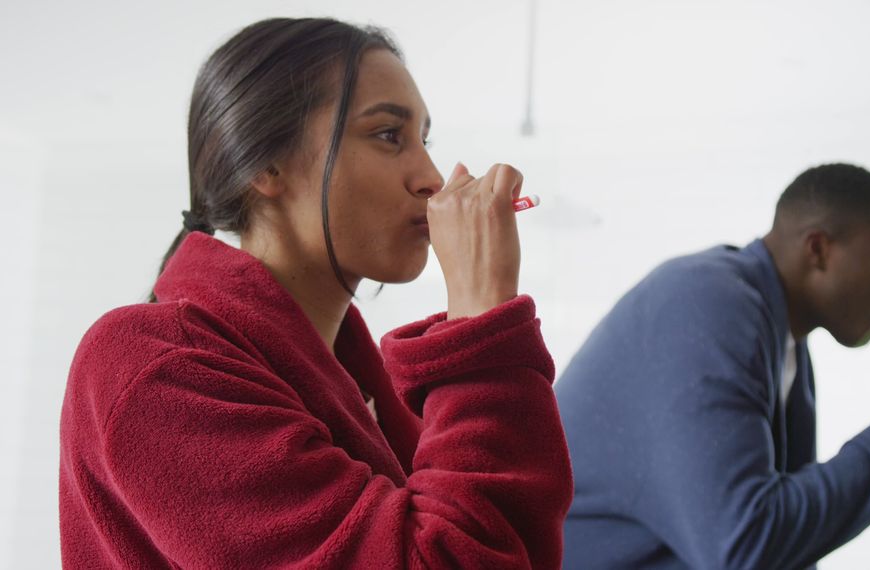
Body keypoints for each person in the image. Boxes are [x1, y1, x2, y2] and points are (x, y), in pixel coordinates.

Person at [59, 18, 571, 569]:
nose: (431, 176)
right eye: (388, 135)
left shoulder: (364, 387)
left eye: (424, 141)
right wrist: (479, 322)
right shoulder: (153, 362)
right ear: (264, 164)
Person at [555, 163, 870, 569]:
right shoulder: (709, 302)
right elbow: (744, 545)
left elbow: (779, 548)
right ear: (819, 249)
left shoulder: (784, 341)